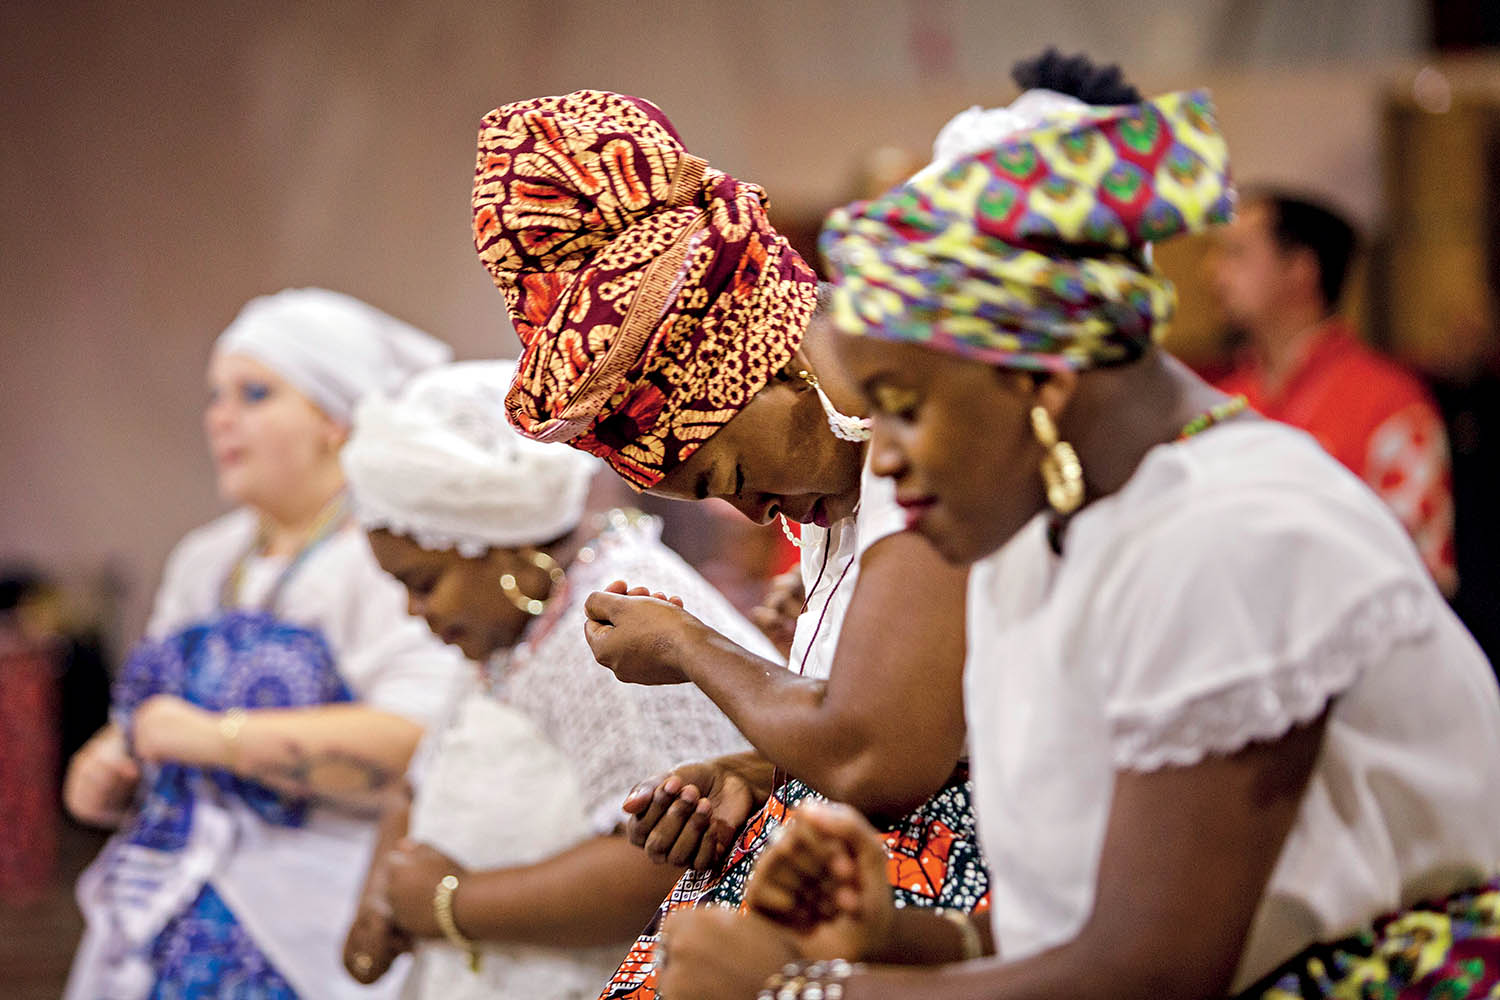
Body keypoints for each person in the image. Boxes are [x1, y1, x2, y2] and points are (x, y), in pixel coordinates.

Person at [652, 59, 1500, 1000]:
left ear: (1039, 379)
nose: (883, 461)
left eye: (905, 408)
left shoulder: (1230, 534)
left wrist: (790, 991)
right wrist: (887, 931)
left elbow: (1147, 975)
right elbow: (1076, 930)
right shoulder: (1048, 539)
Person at [471, 89, 985, 1000]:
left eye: (730, 475)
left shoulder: (926, 447)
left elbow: (881, 759)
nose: (755, 515)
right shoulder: (850, 484)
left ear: (769, 366)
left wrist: (689, 646)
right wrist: (760, 772)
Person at [63, 289, 467, 1000]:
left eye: (254, 394)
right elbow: (151, 707)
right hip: (168, 898)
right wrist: (109, 759)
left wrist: (215, 738)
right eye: (216, 395)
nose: (219, 417)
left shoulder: (384, 555)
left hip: (320, 911)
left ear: (335, 420)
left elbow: (424, 737)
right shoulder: (207, 558)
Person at [334, 360, 764, 999]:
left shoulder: (620, 613)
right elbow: (421, 781)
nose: (413, 611)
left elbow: (659, 863)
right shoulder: (518, 624)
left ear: (501, 544)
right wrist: (382, 900)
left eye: (423, 584)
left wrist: (453, 902)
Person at [1211, 190, 1457, 594]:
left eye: (1237, 254)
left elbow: (1424, 577)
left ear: (1300, 270)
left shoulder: (1390, 402)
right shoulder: (1220, 403)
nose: (1214, 273)